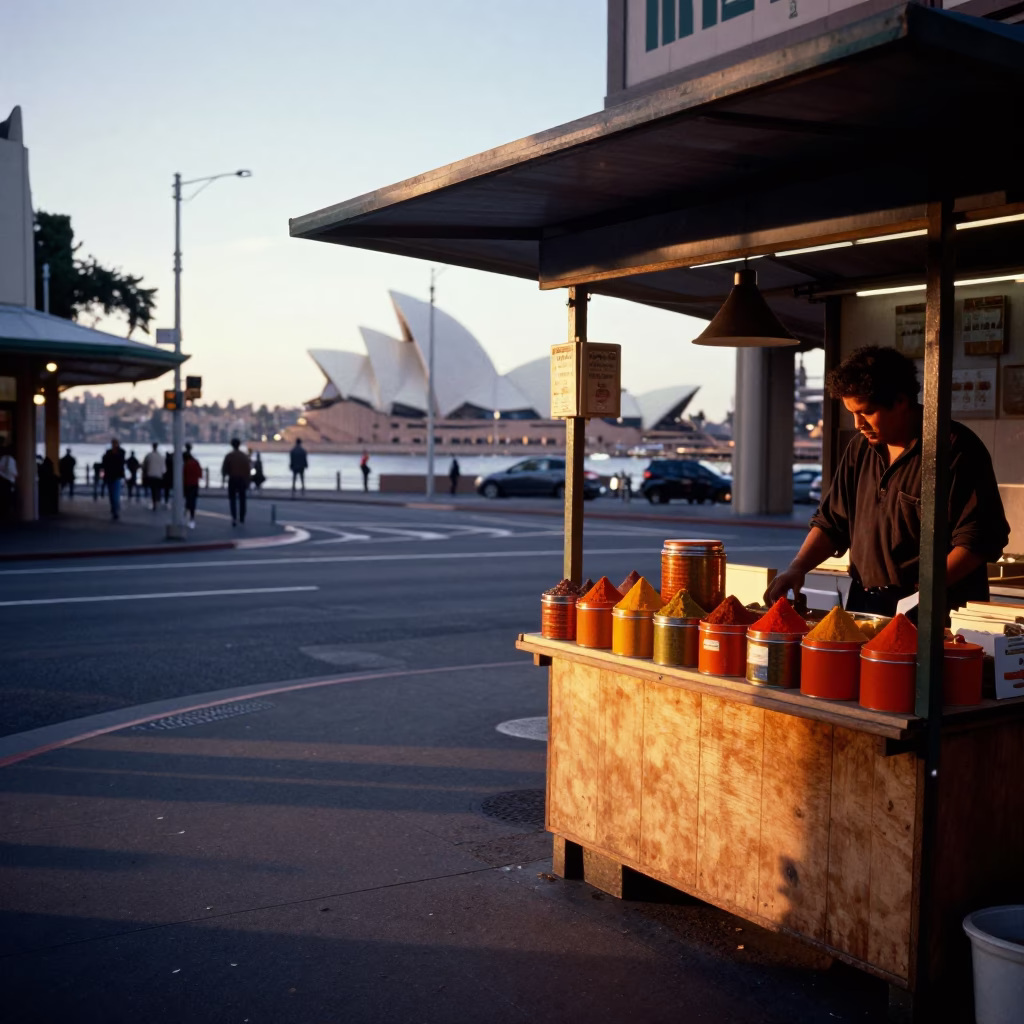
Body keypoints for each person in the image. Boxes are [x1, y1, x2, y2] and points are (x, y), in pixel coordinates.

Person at [765, 346, 1009, 619]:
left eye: (866, 412)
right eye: (851, 413)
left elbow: (978, 540)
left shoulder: (955, 449)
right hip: (864, 601)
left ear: (901, 401)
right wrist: (798, 567)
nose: (857, 423)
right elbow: (832, 521)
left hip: (935, 607)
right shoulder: (860, 448)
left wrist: (924, 592)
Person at [221, 438, 251, 526]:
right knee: (242, 499)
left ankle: (234, 517)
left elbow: (224, 469)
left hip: (233, 479)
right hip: (242, 479)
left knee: (232, 499)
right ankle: (242, 517)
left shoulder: (229, 456)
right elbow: (248, 470)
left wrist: (223, 479)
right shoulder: (244, 456)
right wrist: (248, 481)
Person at [100, 438, 126, 520]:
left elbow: (104, 464)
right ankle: (114, 509)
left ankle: (115, 510)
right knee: (113, 494)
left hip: (113, 476)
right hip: (113, 475)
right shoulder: (119, 453)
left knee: (114, 494)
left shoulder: (111, 453)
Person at [183, 443, 202, 529]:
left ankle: (186, 513)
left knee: (187, 499)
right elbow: (200, 474)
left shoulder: (185, 464)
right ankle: (191, 516)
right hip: (194, 483)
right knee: (193, 500)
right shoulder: (195, 462)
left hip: (187, 484)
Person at [142, 443, 164, 511]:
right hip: (158, 476)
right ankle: (157, 501)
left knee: (153, 490)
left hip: (151, 475)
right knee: (157, 489)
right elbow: (164, 469)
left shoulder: (149, 456)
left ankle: (154, 502)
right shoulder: (161, 456)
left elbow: (144, 466)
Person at [0, 445, 16, 520]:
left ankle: (5, 513)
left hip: (4, 480)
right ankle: (8, 513)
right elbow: (14, 473)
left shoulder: (3, 459)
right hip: (9, 481)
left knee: (4, 498)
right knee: (9, 498)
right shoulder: (12, 460)